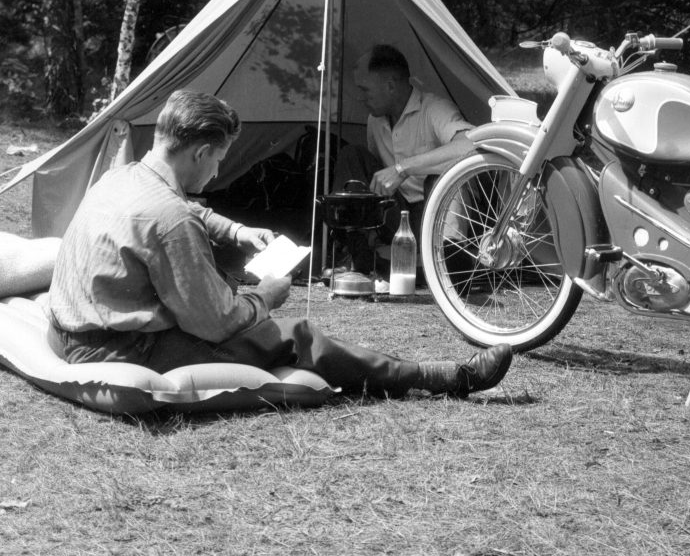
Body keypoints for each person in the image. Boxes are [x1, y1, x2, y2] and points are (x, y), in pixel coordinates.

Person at [45, 90, 511, 399]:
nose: (214, 174)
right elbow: (217, 323)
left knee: (228, 283)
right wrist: (265, 296)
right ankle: (434, 378)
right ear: (201, 152)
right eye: (218, 161)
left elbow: (181, 207)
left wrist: (235, 231)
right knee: (295, 335)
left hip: (71, 330)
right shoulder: (169, 221)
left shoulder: (121, 176)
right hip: (121, 351)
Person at [331, 44, 474, 273]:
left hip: (433, 214)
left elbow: (471, 146)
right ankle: (358, 254)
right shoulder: (375, 121)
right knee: (352, 156)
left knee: (440, 179)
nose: (360, 98)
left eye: (365, 90)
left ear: (389, 86)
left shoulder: (434, 108)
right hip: (397, 217)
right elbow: (378, 177)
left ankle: (450, 259)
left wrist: (403, 168)